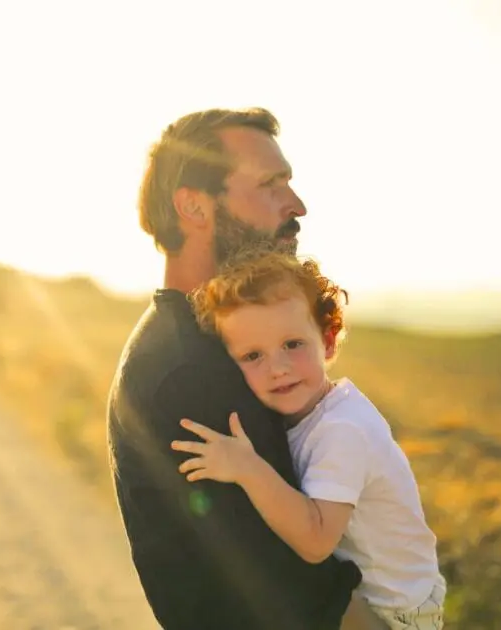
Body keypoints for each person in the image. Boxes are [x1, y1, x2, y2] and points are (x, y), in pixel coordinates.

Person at [106, 108, 383, 629]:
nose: (296, 205)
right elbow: (283, 591)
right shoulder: (192, 369)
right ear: (193, 206)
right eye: (270, 184)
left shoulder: (203, 342)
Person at [170, 249, 447, 629]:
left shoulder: (342, 430)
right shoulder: (303, 415)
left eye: (293, 345)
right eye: (253, 356)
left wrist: (247, 468)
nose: (278, 368)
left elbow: (316, 541)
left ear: (328, 341)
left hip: (396, 612)